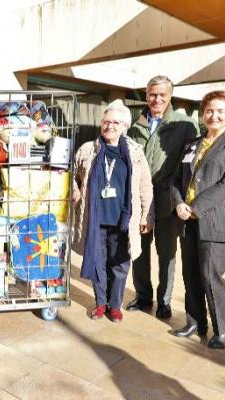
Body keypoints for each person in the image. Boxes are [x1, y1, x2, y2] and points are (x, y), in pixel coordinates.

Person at [170, 91, 225, 349]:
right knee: (190, 273)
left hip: (215, 221)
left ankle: (223, 330)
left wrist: (194, 207)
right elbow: (175, 178)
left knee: (211, 276)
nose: (213, 115)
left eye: (220, 111)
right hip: (187, 219)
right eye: (209, 111)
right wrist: (179, 202)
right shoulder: (192, 143)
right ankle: (195, 322)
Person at [72, 100, 154, 322]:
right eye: (106, 121)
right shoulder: (88, 150)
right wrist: (75, 189)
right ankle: (100, 303)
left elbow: (145, 185)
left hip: (123, 220)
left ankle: (115, 305)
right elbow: (73, 176)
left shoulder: (135, 152)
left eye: (116, 122)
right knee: (98, 261)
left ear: (125, 126)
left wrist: (147, 214)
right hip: (95, 218)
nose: (110, 126)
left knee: (119, 264)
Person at [125, 76, 199, 319]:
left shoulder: (185, 125)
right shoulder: (135, 124)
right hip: (141, 200)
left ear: (170, 96)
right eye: (152, 94)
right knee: (140, 249)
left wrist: (180, 195)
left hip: (168, 198)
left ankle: (164, 300)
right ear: (146, 95)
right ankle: (143, 295)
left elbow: (188, 163)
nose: (156, 99)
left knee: (166, 253)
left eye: (161, 94)